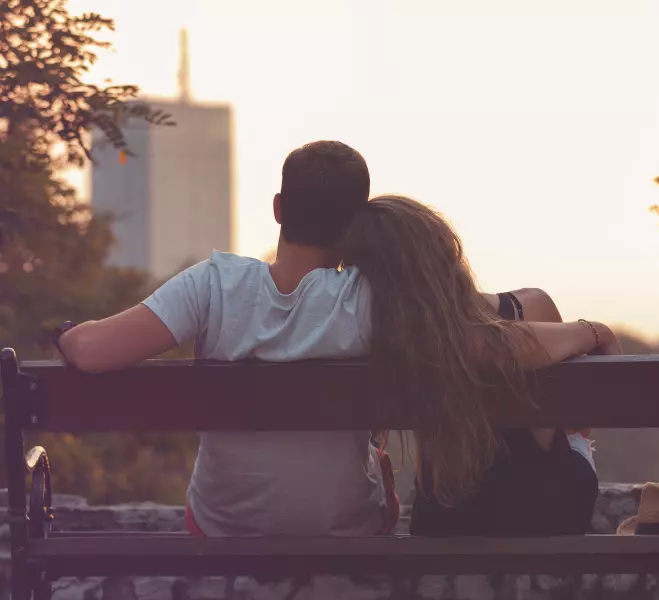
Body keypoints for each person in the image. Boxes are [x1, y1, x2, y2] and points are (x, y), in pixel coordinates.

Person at [52, 140, 400, 537]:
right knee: (379, 463)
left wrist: (65, 334)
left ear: (278, 209)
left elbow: (91, 351)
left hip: (223, 527)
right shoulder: (372, 297)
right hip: (345, 529)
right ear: (359, 223)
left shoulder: (215, 284)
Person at [336, 195, 621, 536]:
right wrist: (595, 331)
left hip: (443, 518)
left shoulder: (382, 339)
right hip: (548, 512)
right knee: (571, 439)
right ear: (444, 252)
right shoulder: (530, 307)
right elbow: (581, 418)